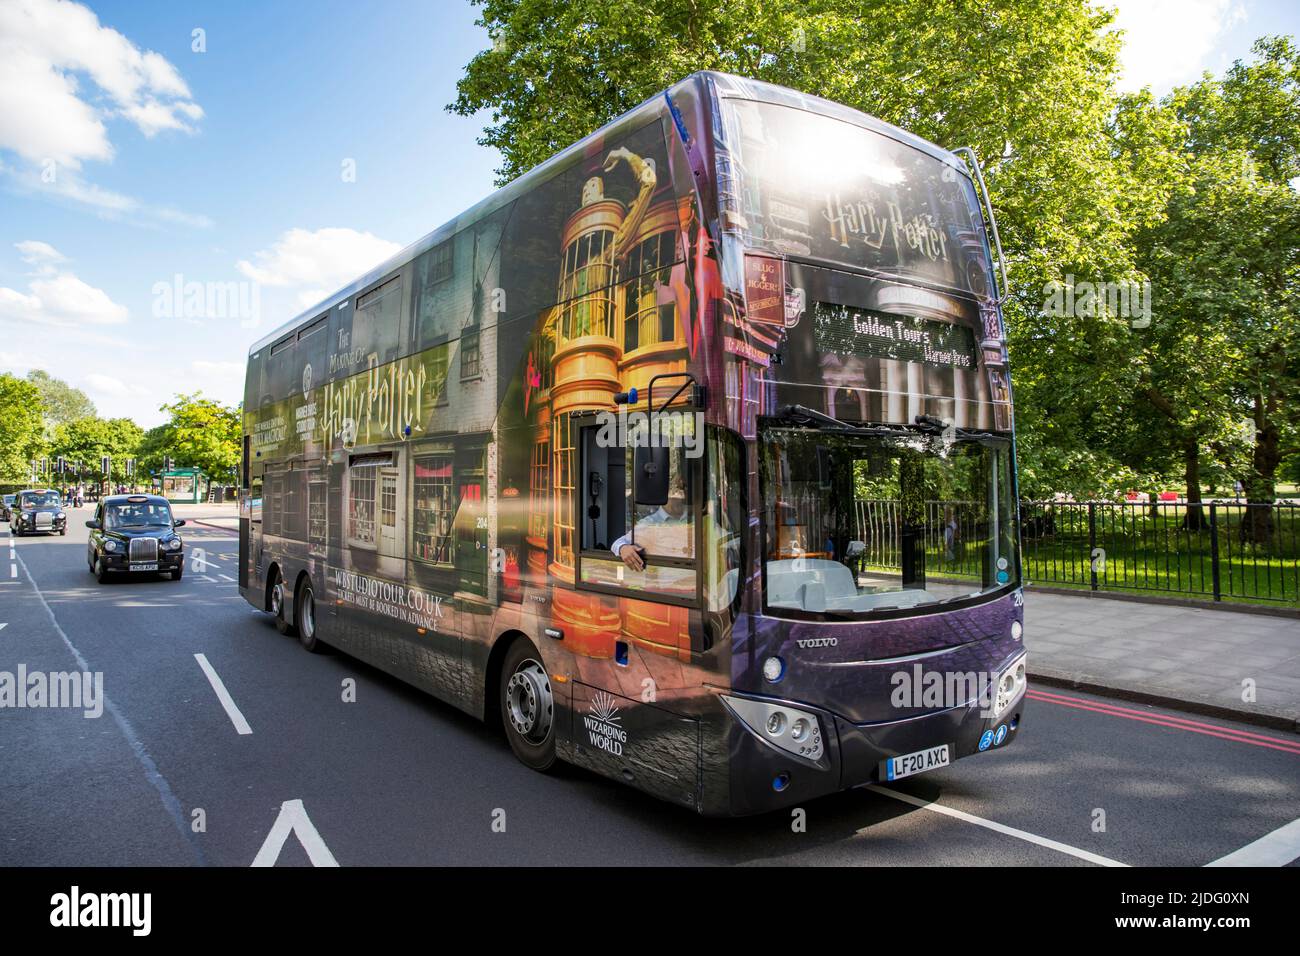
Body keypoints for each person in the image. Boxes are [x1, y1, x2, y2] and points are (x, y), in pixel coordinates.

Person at [611, 474, 691, 571]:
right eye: (675, 491)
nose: (679, 495)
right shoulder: (651, 523)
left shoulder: (696, 516)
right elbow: (618, 543)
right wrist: (623, 548)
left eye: (682, 490)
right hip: (670, 582)